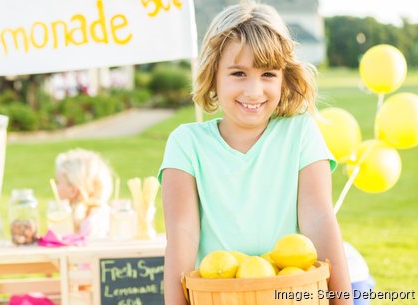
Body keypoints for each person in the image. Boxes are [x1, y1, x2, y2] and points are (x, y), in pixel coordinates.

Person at [158, 2, 352, 305]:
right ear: (213, 74)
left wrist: (342, 301)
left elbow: (319, 221)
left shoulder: (300, 133)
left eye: (268, 75)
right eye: (238, 73)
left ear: (283, 77)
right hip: (220, 299)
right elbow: (181, 236)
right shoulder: (186, 143)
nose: (253, 90)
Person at [55, 148, 113, 239]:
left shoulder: (94, 223)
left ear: (73, 190)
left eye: (58, 182)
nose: (56, 187)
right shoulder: (100, 214)